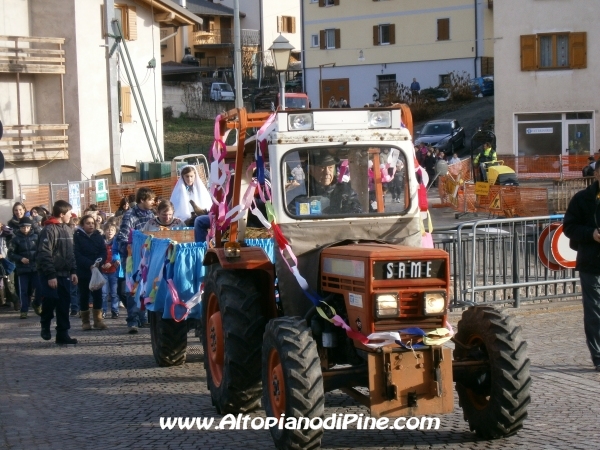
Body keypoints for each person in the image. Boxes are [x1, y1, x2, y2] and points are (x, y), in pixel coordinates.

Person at [563, 162, 600, 372]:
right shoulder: (583, 199)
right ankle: (598, 355)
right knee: (595, 311)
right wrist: (591, 234)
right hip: (591, 263)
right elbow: (569, 227)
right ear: (596, 174)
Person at [37, 200, 78, 344]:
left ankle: (62, 334)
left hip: (64, 274)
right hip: (50, 274)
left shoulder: (68, 230)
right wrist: (51, 275)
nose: (70, 215)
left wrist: (73, 271)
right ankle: (45, 323)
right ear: (61, 214)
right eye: (68, 213)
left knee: (64, 304)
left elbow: (71, 253)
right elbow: (44, 253)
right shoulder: (48, 230)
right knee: (50, 299)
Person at [117, 187, 156, 334]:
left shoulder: (152, 214)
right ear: (142, 200)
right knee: (132, 288)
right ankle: (132, 320)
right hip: (132, 256)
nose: (153, 202)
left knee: (146, 286)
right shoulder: (130, 215)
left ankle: (143, 317)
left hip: (148, 256)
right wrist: (129, 252)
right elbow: (123, 237)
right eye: (150, 199)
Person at [289, 151, 362, 215]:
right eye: (322, 167)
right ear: (311, 171)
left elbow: (355, 213)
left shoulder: (346, 191)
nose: (327, 172)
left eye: (330, 167)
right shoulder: (300, 192)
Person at [74, 214, 108, 331]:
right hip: (84, 270)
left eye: (92, 223)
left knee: (98, 295)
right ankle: (85, 321)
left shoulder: (98, 236)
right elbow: (77, 254)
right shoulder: (77, 236)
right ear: (82, 225)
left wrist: (99, 261)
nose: (91, 225)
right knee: (84, 295)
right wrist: (89, 264)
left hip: (97, 270)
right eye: (88, 223)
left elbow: (103, 251)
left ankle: (98, 321)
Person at [7, 216, 42, 319]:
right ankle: (24, 310)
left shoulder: (36, 237)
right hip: (22, 269)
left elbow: (41, 251)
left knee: (40, 288)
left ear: (30, 227)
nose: (25, 229)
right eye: (23, 227)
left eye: (27, 227)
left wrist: (38, 259)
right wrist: (20, 258)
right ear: (20, 227)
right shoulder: (16, 239)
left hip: (35, 268)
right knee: (24, 291)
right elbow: (11, 254)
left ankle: (37, 303)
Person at [101, 221, 120, 319]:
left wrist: (112, 263)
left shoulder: (116, 242)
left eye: (112, 230)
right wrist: (101, 263)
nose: (110, 232)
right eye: (108, 230)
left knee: (114, 293)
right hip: (103, 270)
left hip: (113, 270)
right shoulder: (101, 242)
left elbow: (118, 255)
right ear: (104, 231)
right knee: (103, 293)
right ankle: (103, 311)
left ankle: (115, 310)